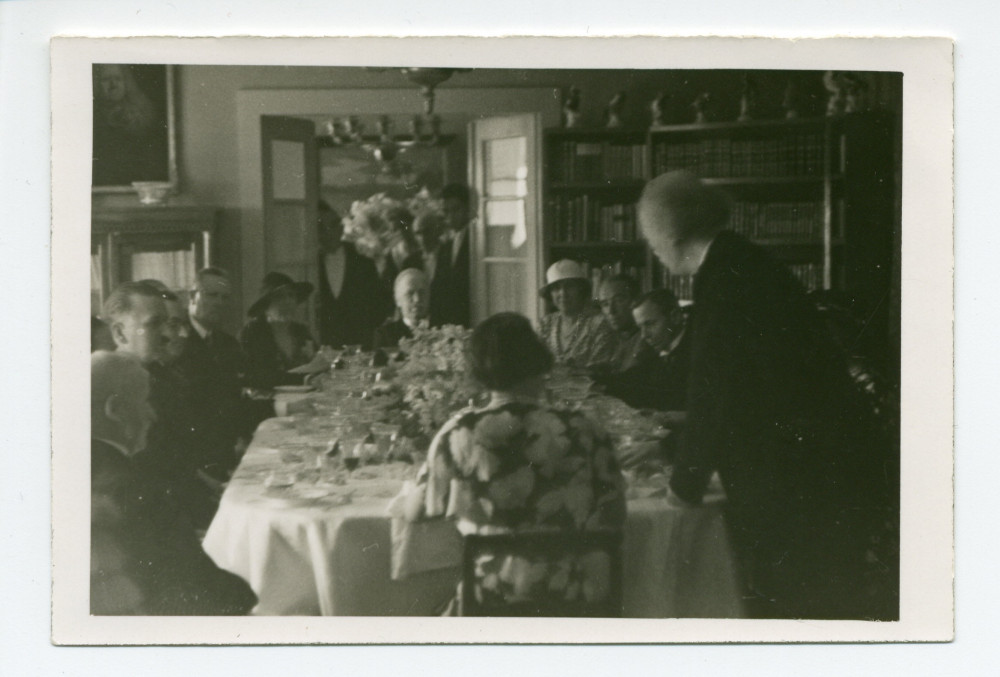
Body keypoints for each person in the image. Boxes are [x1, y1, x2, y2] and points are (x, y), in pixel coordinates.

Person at [637, 170, 893, 620]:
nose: (654, 252)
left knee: (803, 603)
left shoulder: (724, 277)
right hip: (820, 458)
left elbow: (715, 391)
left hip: (806, 471)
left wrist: (684, 486)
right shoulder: (739, 260)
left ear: (668, 232)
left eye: (651, 238)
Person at [403, 312, 626, 608]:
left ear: (479, 371)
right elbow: (616, 515)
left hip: (488, 601)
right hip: (571, 600)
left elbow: (416, 512)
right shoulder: (585, 429)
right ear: (538, 360)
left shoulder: (459, 432)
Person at [90, 350, 257, 615]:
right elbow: (200, 589)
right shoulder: (136, 490)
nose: (152, 415)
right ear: (115, 409)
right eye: (145, 401)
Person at [105, 281, 220, 528]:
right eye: (153, 324)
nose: (168, 334)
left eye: (167, 323)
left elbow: (175, 457)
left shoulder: (158, 375)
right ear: (120, 333)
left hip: (181, 504)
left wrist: (210, 485)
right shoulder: (109, 391)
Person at [174, 267, 249, 480]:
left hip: (226, 450)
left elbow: (236, 396)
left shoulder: (228, 344)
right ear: (192, 296)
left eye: (225, 297)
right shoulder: (176, 341)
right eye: (211, 295)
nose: (219, 302)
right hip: (194, 459)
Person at [598, 288, 690, 415]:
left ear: (675, 317)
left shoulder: (699, 351)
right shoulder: (658, 348)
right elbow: (634, 379)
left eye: (650, 324)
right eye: (640, 327)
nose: (644, 335)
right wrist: (592, 380)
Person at [316, 200, 389, 350]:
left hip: (359, 346)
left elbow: (380, 306)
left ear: (341, 228)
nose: (326, 233)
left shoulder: (363, 264)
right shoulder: (310, 266)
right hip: (324, 349)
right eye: (320, 228)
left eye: (331, 226)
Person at [239, 271, 317, 390]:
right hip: (268, 403)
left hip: (306, 398)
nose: (287, 301)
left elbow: (318, 362)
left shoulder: (300, 331)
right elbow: (259, 377)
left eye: (291, 295)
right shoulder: (252, 333)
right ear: (265, 305)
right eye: (279, 296)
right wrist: (305, 379)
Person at [537, 259, 619, 369]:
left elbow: (598, 371)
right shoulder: (545, 324)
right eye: (556, 288)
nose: (563, 293)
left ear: (581, 289)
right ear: (550, 294)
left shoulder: (599, 324)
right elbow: (534, 366)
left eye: (569, 286)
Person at [430, 183, 473, 327]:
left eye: (456, 210)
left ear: (467, 208)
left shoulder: (475, 240)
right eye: (446, 211)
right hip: (451, 323)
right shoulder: (446, 247)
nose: (450, 216)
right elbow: (438, 289)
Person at [593, 274, 650, 373]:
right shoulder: (614, 338)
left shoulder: (647, 339)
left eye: (619, 300)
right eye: (605, 304)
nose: (611, 311)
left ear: (636, 300)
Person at [373, 268, 431, 351]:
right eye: (409, 294)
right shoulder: (385, 335)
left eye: (422, 293)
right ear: (397, 300)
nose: (417, 299)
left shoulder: (446, 331)